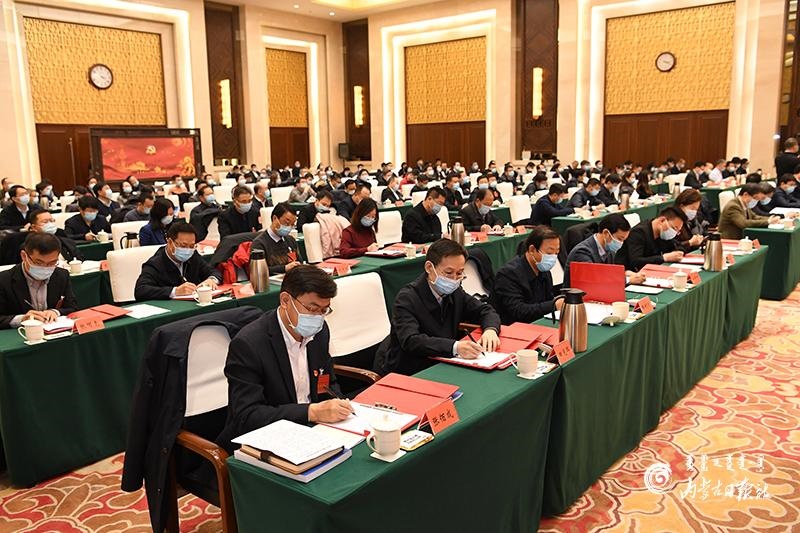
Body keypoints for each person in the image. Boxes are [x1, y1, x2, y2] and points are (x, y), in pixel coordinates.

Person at [217, 265, 352, 450]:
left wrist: (337, 403)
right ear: (286, 300)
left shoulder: (319, 332)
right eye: (312, 308)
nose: (318, 318)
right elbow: (247, 416)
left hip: (313, 432)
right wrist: (311, 412)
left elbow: (326, 382)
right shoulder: (249, 344)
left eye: (324, 310)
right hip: (264, 441)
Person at [373, 239, 500, 375]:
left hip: (443, 362)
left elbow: (485, 310)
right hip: (409, 369)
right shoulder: (407, 298)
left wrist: (490, 330)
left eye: (459, 273)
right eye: (448, 273)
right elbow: (411, 341)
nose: (454, 279)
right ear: (429, 268)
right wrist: (455, 347)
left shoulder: (455, 292)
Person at [0, 233, 78, 329]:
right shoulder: (4, 280)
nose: (45, 268)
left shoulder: (62, 275)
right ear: (24, 256)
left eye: (52, 263)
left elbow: (72, 307)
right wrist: (22, 319)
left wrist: (55, 312)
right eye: (39, 263)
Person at [494, 226, 563, 324]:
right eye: (549, 253)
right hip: (512, 327)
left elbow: (548, 299)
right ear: (532, 250)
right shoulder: (508, 274)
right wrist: (553, 305)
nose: (553, 258)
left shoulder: (543, 269)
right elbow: (518, 311)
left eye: (556, 253)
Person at [134, 222, 220, 301]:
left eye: (191, 246)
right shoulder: (155, 264)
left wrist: (211, 280)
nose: (188, 250)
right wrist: (175, 291)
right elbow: (141, 290)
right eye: (183, 245)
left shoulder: (193, 256)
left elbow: (214, 271)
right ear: (170, 242)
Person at [564, 214, 644, 286]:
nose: (621, 243)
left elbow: (608, 275)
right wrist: (627, 280)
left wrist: (625, 274)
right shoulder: (582, 252)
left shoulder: (609, 250)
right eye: (620, 239)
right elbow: (593, 280)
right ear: (606, 233)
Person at [615, 207, 686, 271]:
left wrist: (678, 253)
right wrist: (664, 258)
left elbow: (679, 246)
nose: (674, 233)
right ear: (662, 220)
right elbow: (636, 262)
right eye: (674, 228)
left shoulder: (663, 234)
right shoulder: (638, 233)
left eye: (678, 231)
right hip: (630, 274)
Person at [251, 202, 304, 274]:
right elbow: (259, 270)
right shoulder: (259, 244)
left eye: (292, 225)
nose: (289, 227)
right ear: (275, 218)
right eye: (287, 223)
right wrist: (284, 268)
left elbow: (298, 262)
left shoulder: (290, 240)